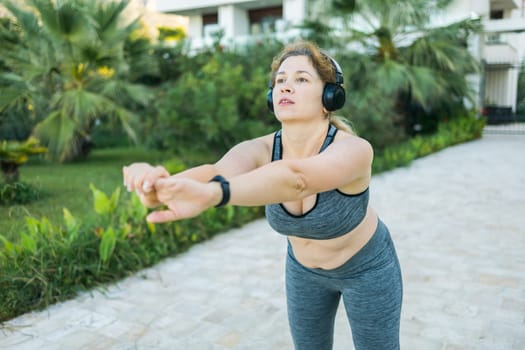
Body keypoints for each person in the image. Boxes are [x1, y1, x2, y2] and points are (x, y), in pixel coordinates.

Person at [123, 40, 403, 350]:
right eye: (280, 80)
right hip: (303, 272)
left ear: (329, 98)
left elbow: (297, 179)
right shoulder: (259, 149)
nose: (285, 87)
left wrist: (216, 194)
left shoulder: (354, 150)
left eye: (301, 79)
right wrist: (158, 186)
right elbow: (215, 172)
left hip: (366, 269)